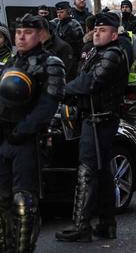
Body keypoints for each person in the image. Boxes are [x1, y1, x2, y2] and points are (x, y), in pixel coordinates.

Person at [56, 13, 128, 242]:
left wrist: (63, 89)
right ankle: (107, 223)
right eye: (96, 30)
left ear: (114, 34)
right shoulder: (98, 52)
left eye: (103, 30)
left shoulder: (113, 54)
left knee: (87, 171)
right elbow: (84, 79)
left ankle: (82, 225)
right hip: (95, 117)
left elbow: (90, 82)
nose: (97, 33)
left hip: (101, 120)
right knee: (102, 172)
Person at [0, 14, 64, 252]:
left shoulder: (51, 63)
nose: (21, 37)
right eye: (18, 32)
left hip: (28, 141)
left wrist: (24, 130)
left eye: (27, 33)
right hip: (4, 136)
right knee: (2, 198)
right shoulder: (11, 61)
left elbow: (48, 105)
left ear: (40, 35)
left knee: (23, 203)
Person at [52, 1, 85, 70]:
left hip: (72, 58)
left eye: (61, 12)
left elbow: (80, 44)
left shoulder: (74, 24)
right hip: (61, 56)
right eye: (57, 12)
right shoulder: (58, 24)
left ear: (68, 12)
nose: (58, 14)